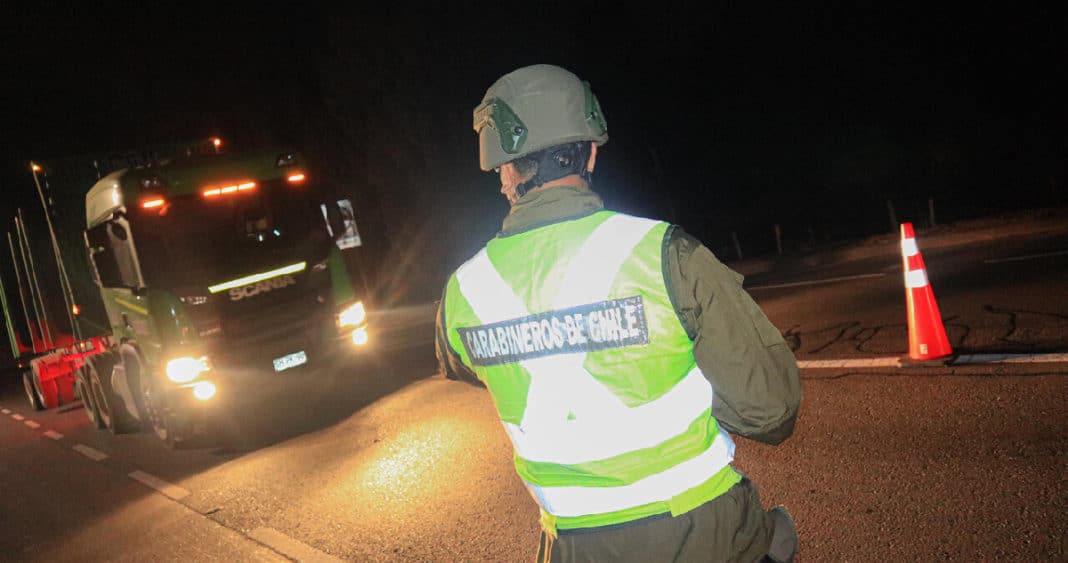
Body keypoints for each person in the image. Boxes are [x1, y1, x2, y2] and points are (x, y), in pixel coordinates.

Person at [435, 63, 801, 562]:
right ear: (589, 152)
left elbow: (462, 365)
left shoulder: (462, 291)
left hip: (570, 548)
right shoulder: (665, 253)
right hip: (704, 535)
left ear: (505, 167)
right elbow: (770, 411)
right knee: (777, 540)